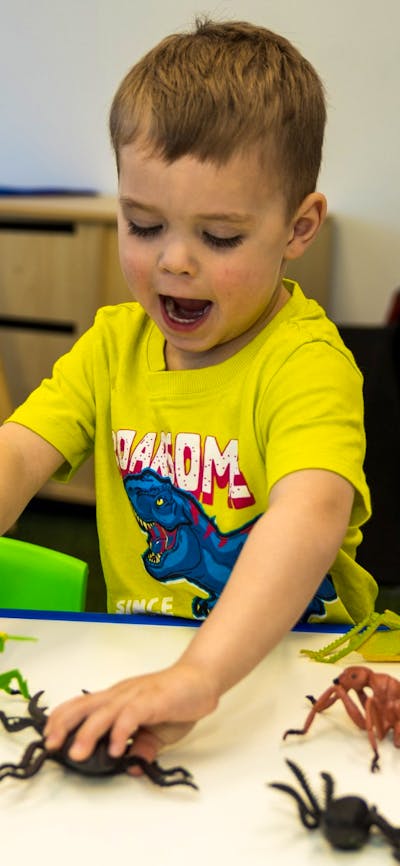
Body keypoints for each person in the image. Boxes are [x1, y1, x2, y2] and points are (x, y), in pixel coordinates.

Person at [0, 18, 377, 768]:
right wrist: (179, 676)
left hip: (297, 667)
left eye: (221, 238)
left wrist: (201, 675)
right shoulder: (112, 346)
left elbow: (312, 513)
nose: (175, 263)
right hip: (143, 660)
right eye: (144, 225)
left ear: (297, 228)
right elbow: (16, 453)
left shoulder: (305, 362)